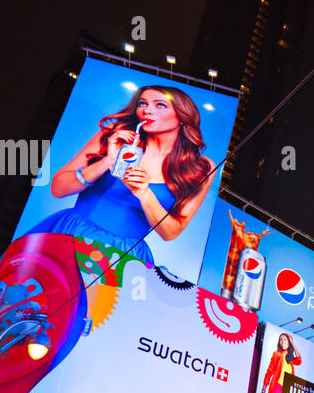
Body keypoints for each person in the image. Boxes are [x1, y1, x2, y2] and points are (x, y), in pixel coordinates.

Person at [31, 85, 217, 265]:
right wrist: (107, 161)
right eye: (142, 104)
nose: (147, 111)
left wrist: (145, 194)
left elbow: (171, 233)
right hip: (72, 233)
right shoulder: (113, 136)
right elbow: (57, 188)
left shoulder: (201, 167)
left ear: (182, 115)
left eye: (160, 105)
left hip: (126, 255)